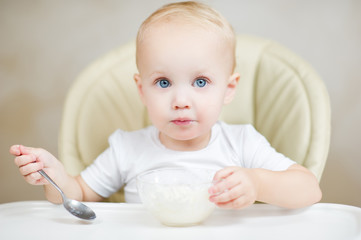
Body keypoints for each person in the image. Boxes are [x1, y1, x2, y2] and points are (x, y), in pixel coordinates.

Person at [9, 1, 321, 210]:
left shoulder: (242, 144)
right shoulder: (127, 149)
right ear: (141, 90)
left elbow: (310, 189)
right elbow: (78, 194)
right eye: (163, 83)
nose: (181, 102)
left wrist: (257, 183)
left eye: (200, 82)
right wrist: (54, 176)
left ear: (229, 89)